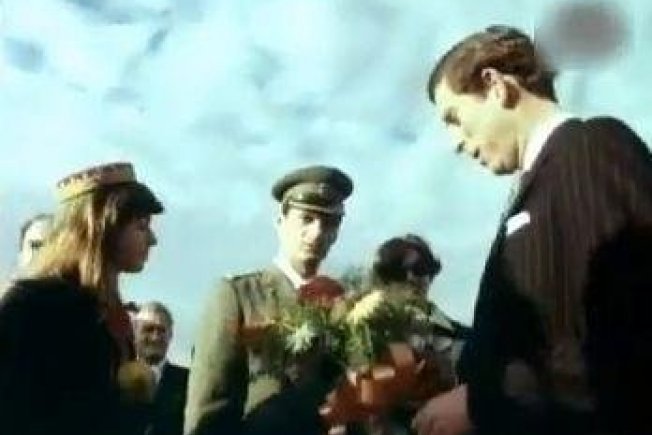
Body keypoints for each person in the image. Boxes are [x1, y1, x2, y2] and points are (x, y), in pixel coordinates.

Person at [412, 25, 652, 435]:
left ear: (496, 86)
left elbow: (628, 328)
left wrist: (482, 403)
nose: (455, 142)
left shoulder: (591, 148)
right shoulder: (534, 190)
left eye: (454, 118)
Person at [184, 165, 354, 435]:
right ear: (280, 223)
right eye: (307, 219)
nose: (317, 233)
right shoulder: (237, 295)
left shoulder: (346, 307)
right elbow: (209, 409)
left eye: (329, 223)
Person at [0, 162, 163, 435]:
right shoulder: (33, 305)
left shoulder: (111, 315)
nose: (152, 239)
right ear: (103, 226)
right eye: (141, 225)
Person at [134, 301, 189, 435]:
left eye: (162, 330)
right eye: (148, 329)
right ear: (135, 333)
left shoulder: (189, 382)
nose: (155, 337)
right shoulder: (116, 378)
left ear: (170, 336)